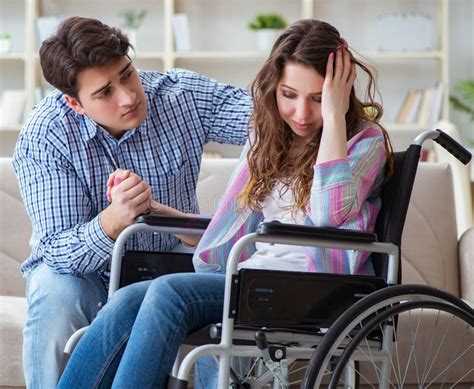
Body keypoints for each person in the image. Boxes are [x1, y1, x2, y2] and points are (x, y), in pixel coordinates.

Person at [58, 18, 393, 388]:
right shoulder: (269, 140)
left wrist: (333, 118)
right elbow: (226, 224)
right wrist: (151, 209)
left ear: (339, 94)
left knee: (169, 293)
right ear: (273, 89)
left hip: (314, 289)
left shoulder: (364, 143)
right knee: (125, 300)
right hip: (253, 279)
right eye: (289, 95)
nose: (301, 113)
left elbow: (330, 214)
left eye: (317, 98)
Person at [12, 16, 252, 388]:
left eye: (127, 74)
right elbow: (57, 250)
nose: (128, 97)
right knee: (57, 293)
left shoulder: (180, 95)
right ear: (75, 103)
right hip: (83, 271)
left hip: (168, 256)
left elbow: (271, 122)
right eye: (104, 93)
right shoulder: (45, 135)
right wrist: (112, 221)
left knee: (210, 276)